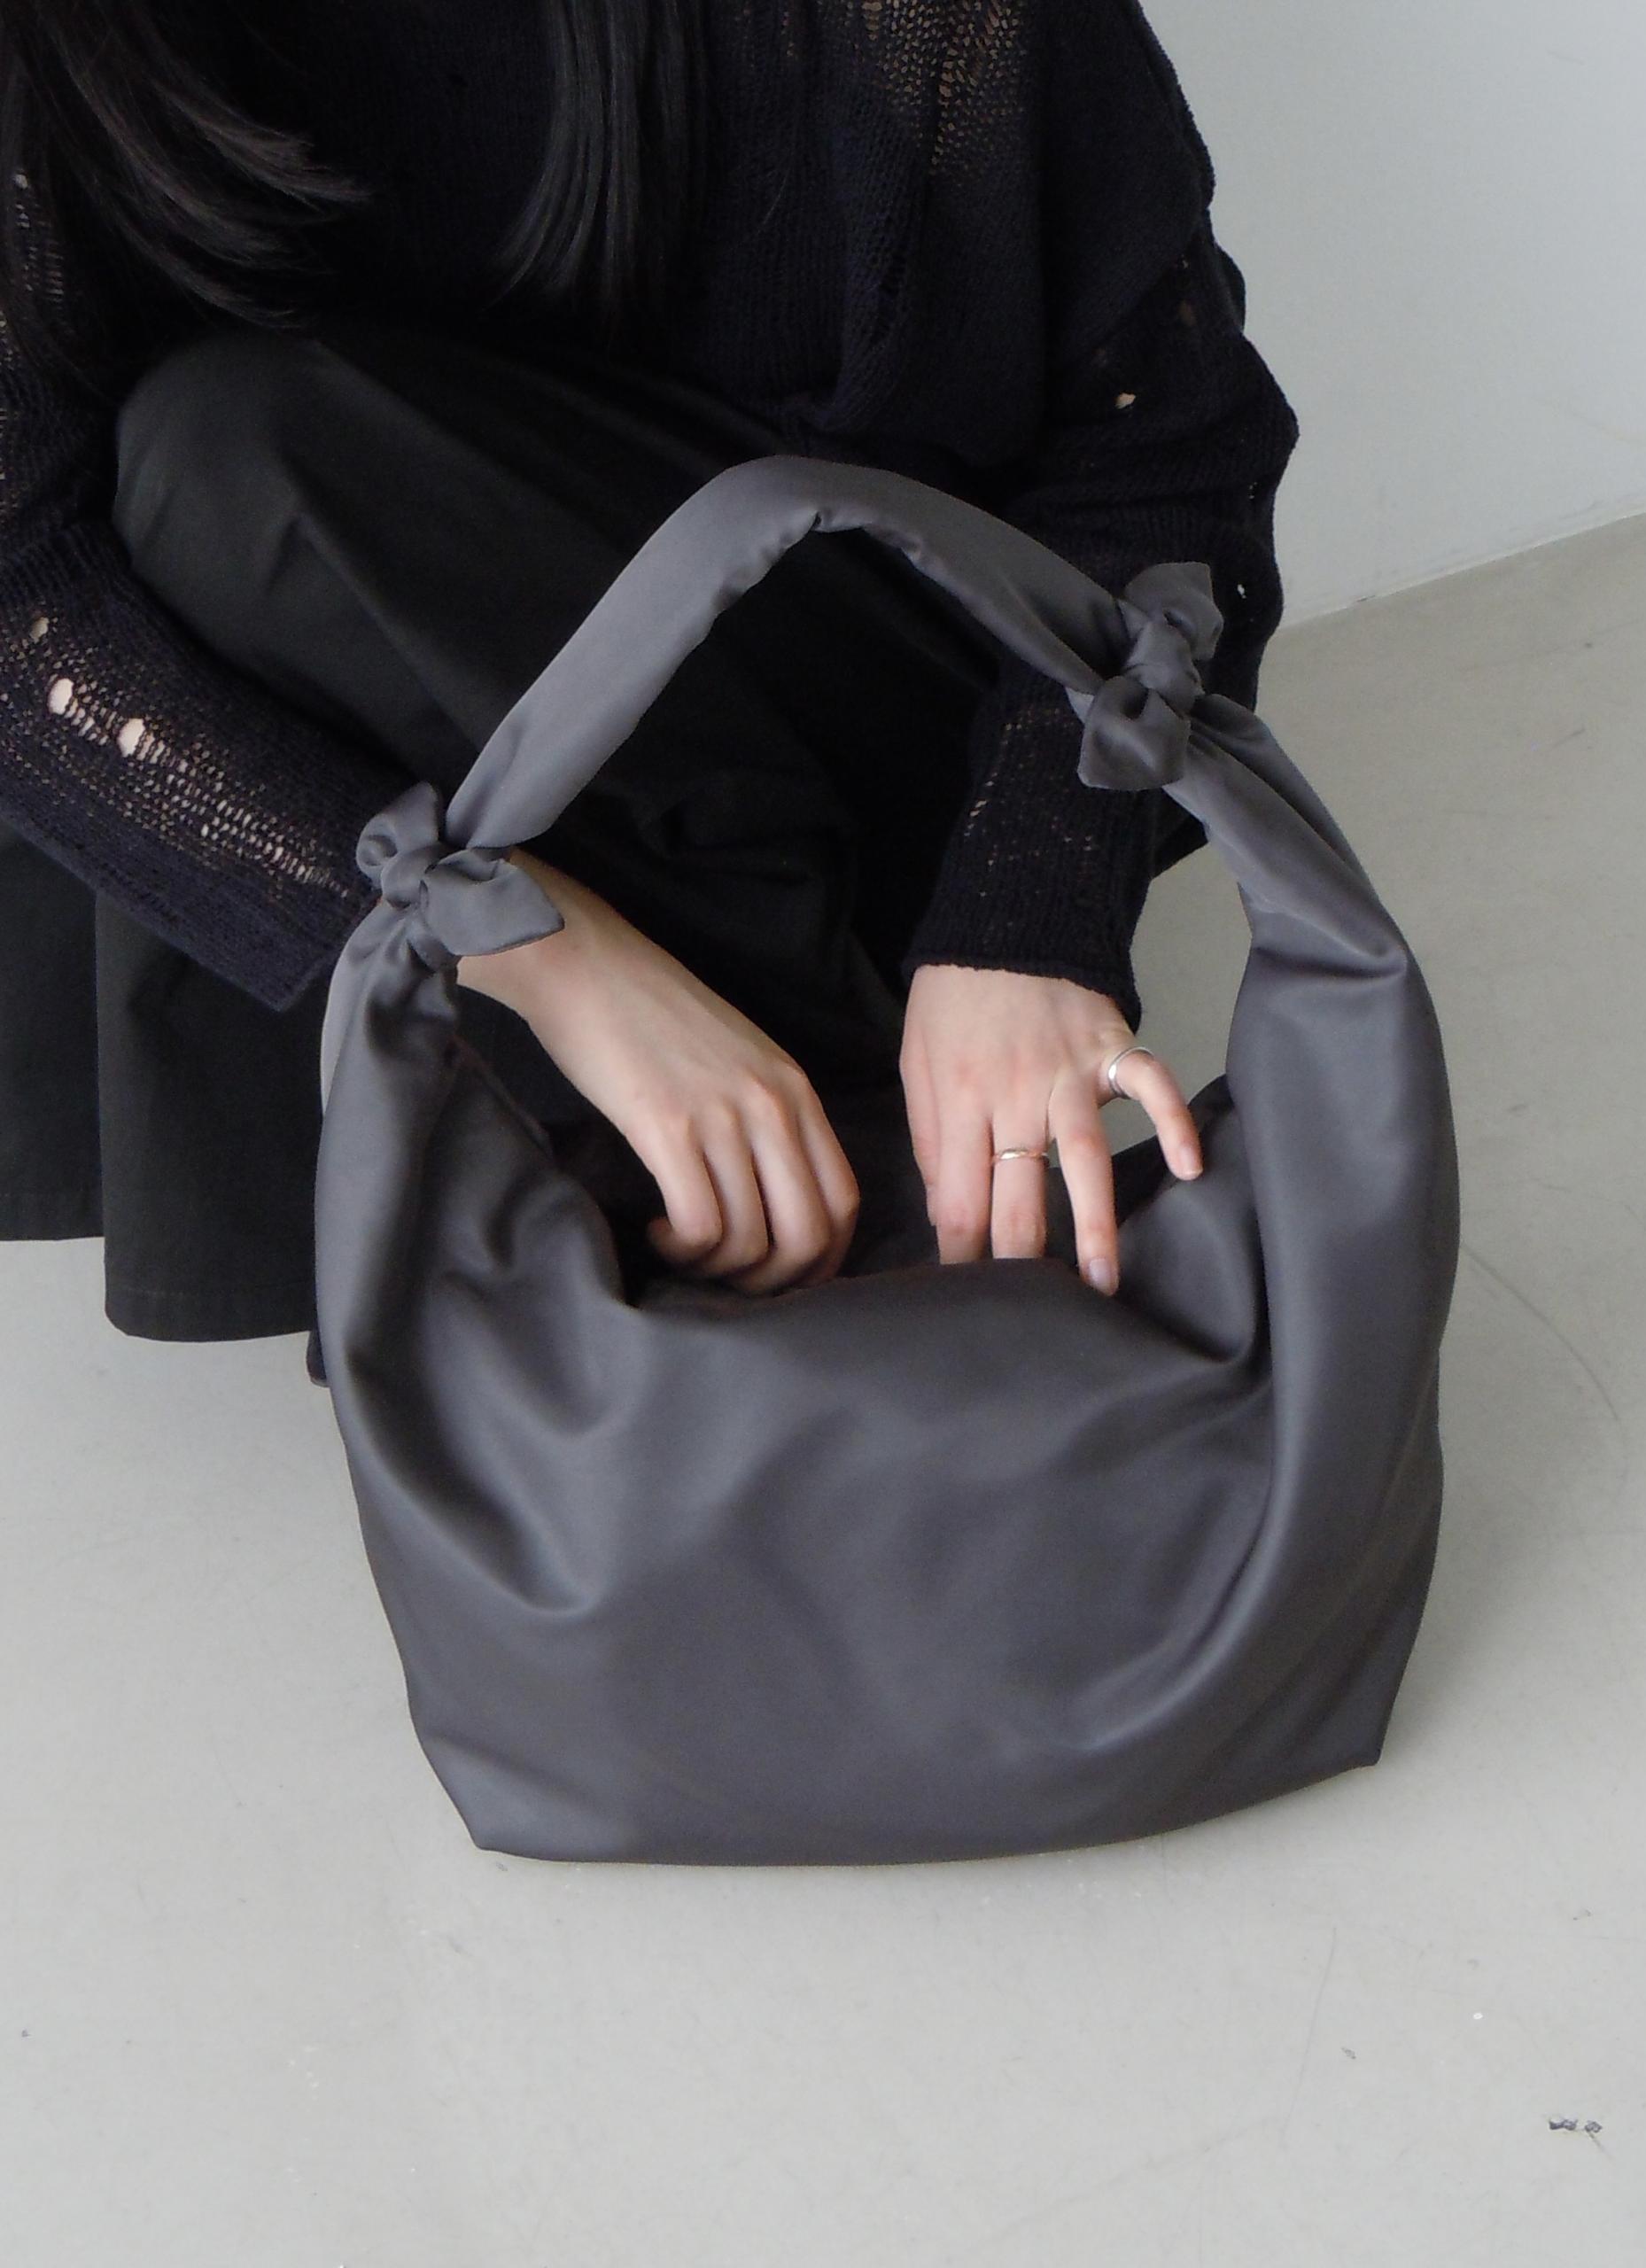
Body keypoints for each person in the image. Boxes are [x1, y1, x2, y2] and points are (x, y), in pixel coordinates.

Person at [0, 0, 1300, 1340]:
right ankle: (650, 1152)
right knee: (211, 463)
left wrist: (1025, 903)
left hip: (863, 691)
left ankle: (826, 1146)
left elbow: (1166, 455)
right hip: (414, 748)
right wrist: (535, 954)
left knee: (234, 464)